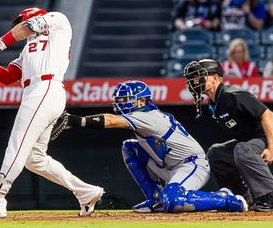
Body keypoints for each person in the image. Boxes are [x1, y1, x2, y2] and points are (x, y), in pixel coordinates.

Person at [0, 8, 104, 218]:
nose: (19, 27)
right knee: (35, 159)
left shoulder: (58, 20)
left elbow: (28, 27)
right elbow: (9, 77)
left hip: (45, 89)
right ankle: (86, 192)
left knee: (17, 145)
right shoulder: (28, 50)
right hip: (37, 93)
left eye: (21, 21)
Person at [51, 80, 247, 213]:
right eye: (119, 100)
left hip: (191, 165)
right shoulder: (144, 115)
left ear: (142, 101)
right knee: (130, 147)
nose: (120, 104)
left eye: (125, 100)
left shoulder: (148, 116)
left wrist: (75, 120)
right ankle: (155, 199)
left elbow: (111, 121)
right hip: (170, 165)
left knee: (174, 201)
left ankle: (227, 199)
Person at [183, 59, 273, 212]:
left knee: (242, 149)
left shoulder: (232, 94)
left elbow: (267, 115)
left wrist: (271, 148)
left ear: (215, 78)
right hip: (252, 141)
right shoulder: (213, 103)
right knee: (216, 153)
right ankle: (240, 198)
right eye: (192, 78)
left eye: (199, 76)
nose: (194, 81)